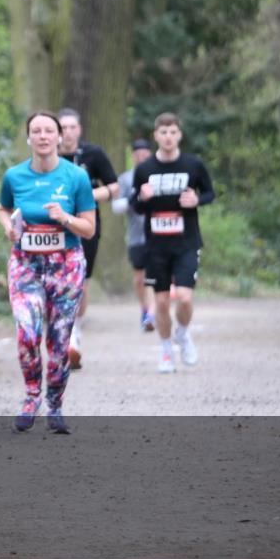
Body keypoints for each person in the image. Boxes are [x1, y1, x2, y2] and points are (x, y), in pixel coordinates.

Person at [0, 111, 96, 434]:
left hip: (65, 264)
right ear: (28, 138)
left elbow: (89, 229)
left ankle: (55, 404)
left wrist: (65, 218)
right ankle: (30, 396)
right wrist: (9, 228)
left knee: (58, 342)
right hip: (25, 263)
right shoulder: (14, 176)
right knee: (27, 333)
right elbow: (3, 209)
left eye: (48, 131)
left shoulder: (76, 177)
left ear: (59, 137)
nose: (42, 136)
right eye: (36, 131)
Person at [131, 113, 215, 373]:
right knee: (163, 302)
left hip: (186, 243)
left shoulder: (193, 164)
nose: (168, 137)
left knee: (186, 299)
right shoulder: (144, 170)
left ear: (180, 135)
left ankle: (183, 334)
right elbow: (136, 206)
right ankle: (166, 349)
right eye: (163, 132)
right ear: (156, 136)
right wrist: (142, 198)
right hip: (156, 246)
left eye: (173, 132)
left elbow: (210, 192)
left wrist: (196, 201)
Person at [57, 108, 119, 369]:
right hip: (53, 227)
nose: (68, 132)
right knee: (58, 280)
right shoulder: (48, 156)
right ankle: (62, 336)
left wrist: (89, 196)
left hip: (86, 226)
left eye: (73, 127)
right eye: (64, 127)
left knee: (80, 281)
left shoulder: (93, 154)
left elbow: (115, 186)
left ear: (79, 130)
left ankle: (75, 332)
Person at [112, 139, 156, 331]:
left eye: (145, 156)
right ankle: (144, 309)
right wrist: (135, 197)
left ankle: (152, 315)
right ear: (133, 157)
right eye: (138, 156)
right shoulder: (125, 179)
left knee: (153, 276)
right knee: (139, 279)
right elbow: (116, 207)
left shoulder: (158, 175)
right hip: (136, 236)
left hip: (158, 235)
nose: (142, 159)